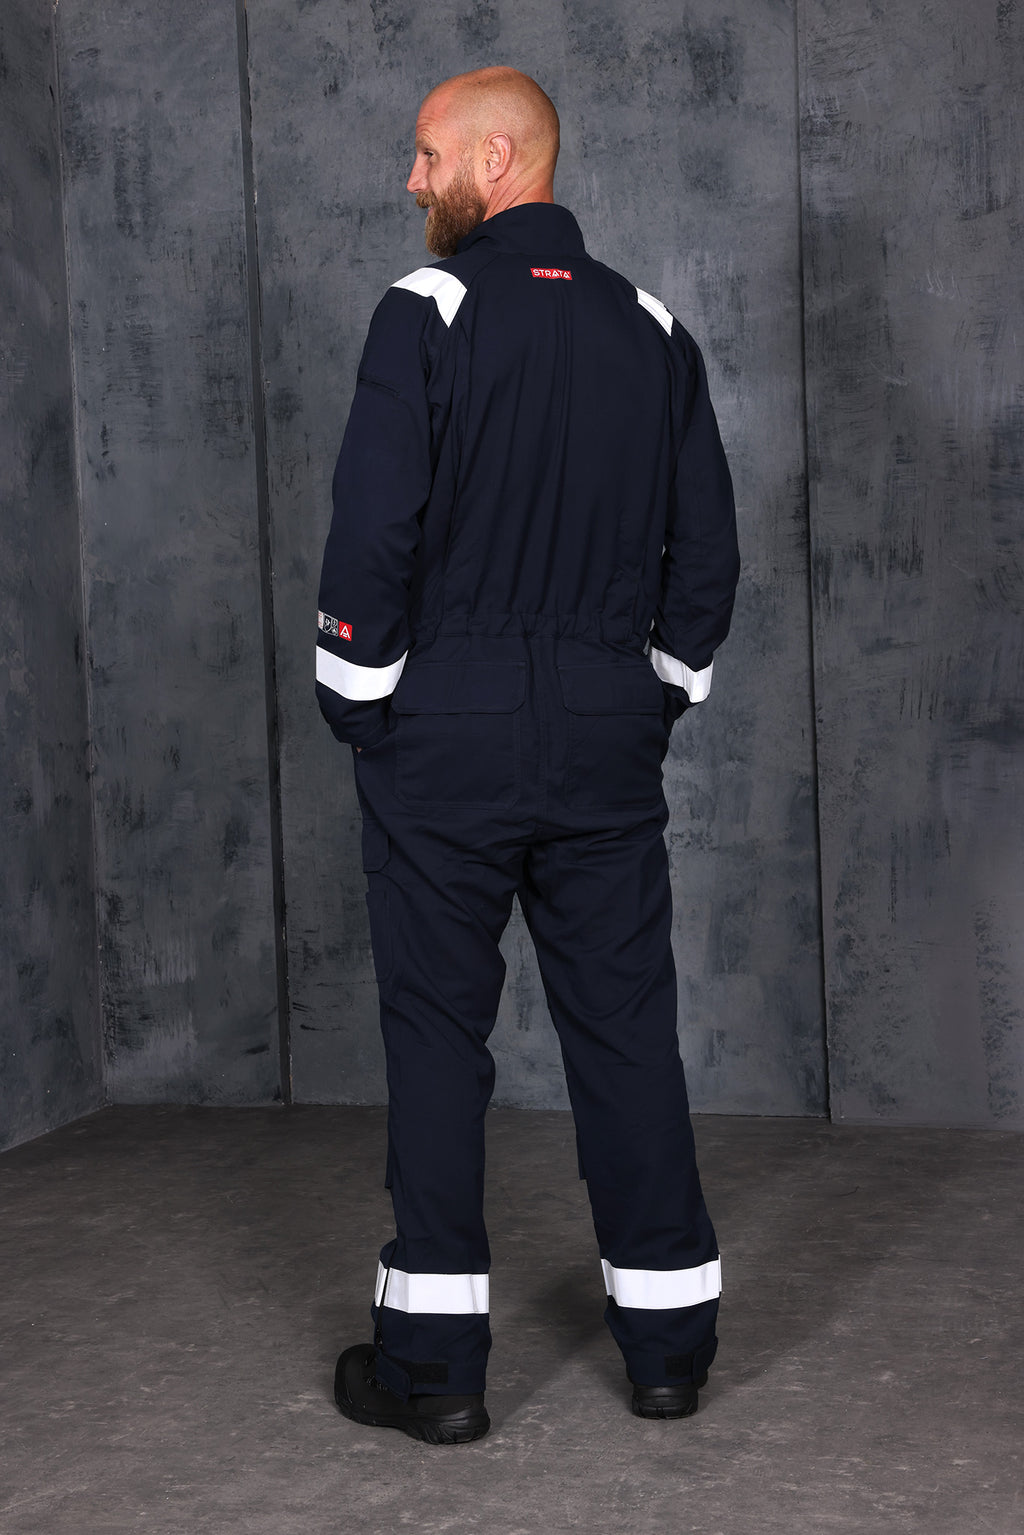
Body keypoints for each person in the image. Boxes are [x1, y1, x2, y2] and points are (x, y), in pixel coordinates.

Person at [316, 66, 740, 1445]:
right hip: (607, 733)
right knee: (626, 1032)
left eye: (427, 153)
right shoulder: (652, 327)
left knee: (439, 1037)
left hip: (446, 730)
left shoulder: (426, 309)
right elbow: (708, 548)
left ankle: (436, 1374)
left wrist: (358, 691)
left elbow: (374, 526)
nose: (412, 179)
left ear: (498, 159)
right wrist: (653, 689)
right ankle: (670, 1353)